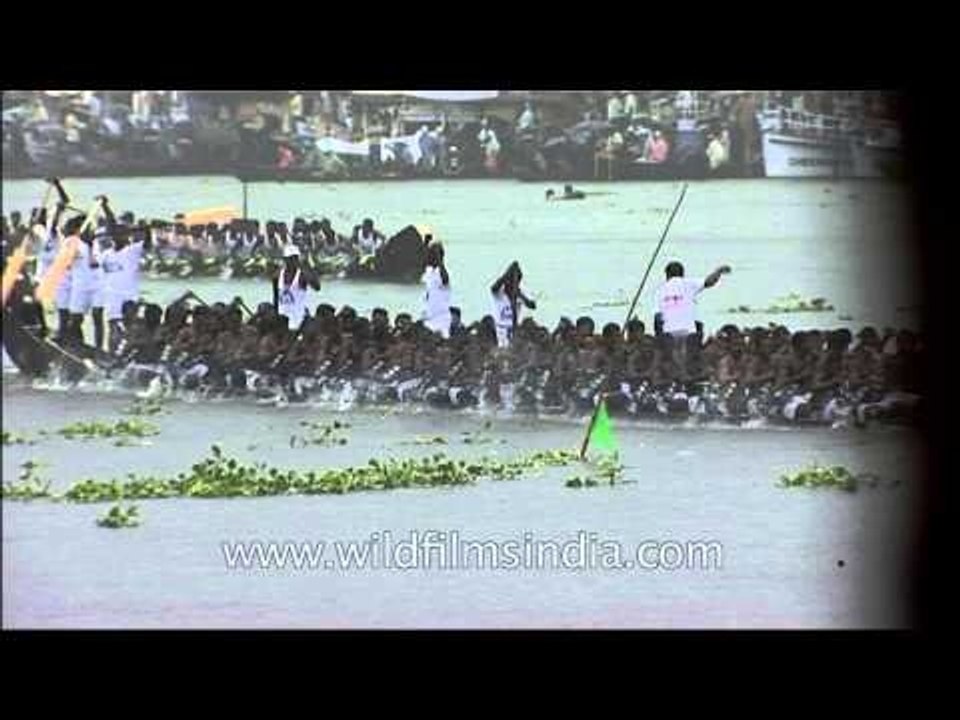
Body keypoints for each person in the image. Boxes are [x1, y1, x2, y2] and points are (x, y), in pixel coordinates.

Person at [652, 261, 731, 339]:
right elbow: (709, 282)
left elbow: (657, 317)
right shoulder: (689, 283)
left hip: (668, 336)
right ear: (682, 274)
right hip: (689, 334)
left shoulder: (659, 290)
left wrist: (658, 336)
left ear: (667, 275)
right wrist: (718, 271)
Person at [272, 244, 320, 328]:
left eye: (295, 258)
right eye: (290, 258)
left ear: (298, 258)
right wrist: (275, 317)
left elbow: (317, 287)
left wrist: (309, 267)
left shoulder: (302, 275)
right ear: (285, 259)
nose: (292, 261)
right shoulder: (277, 275)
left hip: (299, 321)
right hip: (282, 320)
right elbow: (275, 298)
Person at [490, 260, 537, 348]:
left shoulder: (519, 295)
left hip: (513, 333)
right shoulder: (499, 295)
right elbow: (493, 288)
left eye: (516, 283)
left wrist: (519, 295)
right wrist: (509, 271)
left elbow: (532, 306)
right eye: (511, 282)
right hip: (500, 333)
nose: (513, 285)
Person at [421, 241, 452, 338]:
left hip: (441, 319)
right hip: (428, 317)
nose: (428, 256)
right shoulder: (428, 272)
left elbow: (445, 280)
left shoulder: (443, 272)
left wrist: (439, 258)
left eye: (431, 255)